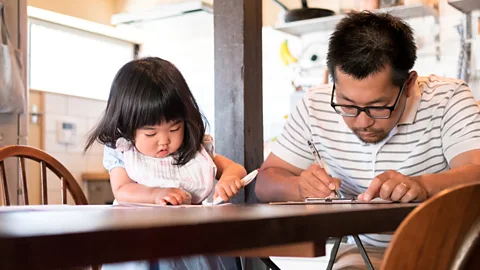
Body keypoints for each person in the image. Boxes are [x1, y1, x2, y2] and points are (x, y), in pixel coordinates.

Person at [256, 12, 480, 269]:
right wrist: (298, 186)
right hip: (363, 251)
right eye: (348, 105)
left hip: (446, 247)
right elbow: (266, 181)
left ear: (408, 85)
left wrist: (422, 185)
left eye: (378, 107)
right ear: (333, 82)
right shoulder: (314, 105)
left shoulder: (448, 98)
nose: (362, 123)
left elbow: (476, 173)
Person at [85, 57, 247, 269]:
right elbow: (122, 189)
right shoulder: (123, 149)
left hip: (195, 243)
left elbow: (235, 168)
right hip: (140, 243)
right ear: (127, 126)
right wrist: (156, 194)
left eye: (174, 129)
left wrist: (230, 179)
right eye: (150, 133)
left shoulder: (194, 148)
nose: (164, 141)